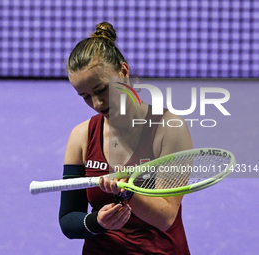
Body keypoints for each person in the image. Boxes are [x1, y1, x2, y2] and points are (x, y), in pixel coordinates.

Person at [59, 22, 193, 255]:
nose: (97, 104)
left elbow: (165, 217)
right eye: (85, 96)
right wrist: (96, 223)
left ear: (123, 71)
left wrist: (126, 190)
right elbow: (68, 219)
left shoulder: (168, 129)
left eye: (101, 89)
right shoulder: (81, 136)